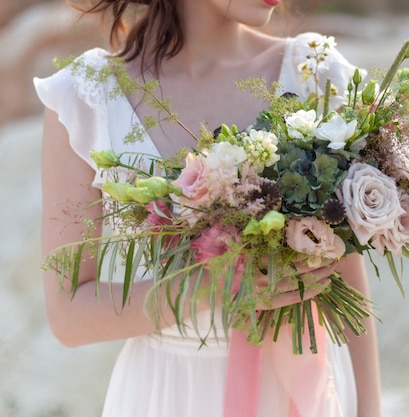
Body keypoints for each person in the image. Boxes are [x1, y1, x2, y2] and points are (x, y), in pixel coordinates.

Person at [34, 1, 382, 416]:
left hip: (305, 382)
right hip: (171, 392)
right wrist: (209, 288)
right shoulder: (87, 96)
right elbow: (68, 315)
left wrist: (370, 409)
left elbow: (343, 267)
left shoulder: (315, 72)